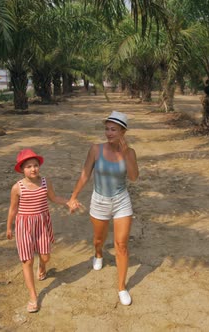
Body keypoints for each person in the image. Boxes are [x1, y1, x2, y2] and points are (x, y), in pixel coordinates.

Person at [68, 111, 139, 306]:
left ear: (123, 132)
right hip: (99, 201)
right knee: (99, 239)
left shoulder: (130, 152)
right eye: (107, 129)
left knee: (121, 245)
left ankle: (122, 287)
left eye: (113, 129)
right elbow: (85, 175)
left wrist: (125, 154)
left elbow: (133, 177)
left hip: (121, 201)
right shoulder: (95, 150)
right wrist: (73, 197)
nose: (109, 133)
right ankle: (98, 253)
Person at [6, 148, 70, 313]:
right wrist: (9, 227)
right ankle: (33, 297)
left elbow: (54, 198)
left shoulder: (45, 182)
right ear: (21, 169)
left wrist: (68, 202)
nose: (33, 169)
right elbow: (13, 209)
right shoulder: (17, 188)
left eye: (35, 165)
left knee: (46, 256)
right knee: (27, 261)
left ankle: (42, 267)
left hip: (41, 224)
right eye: (28, 166)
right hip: (24, 226)